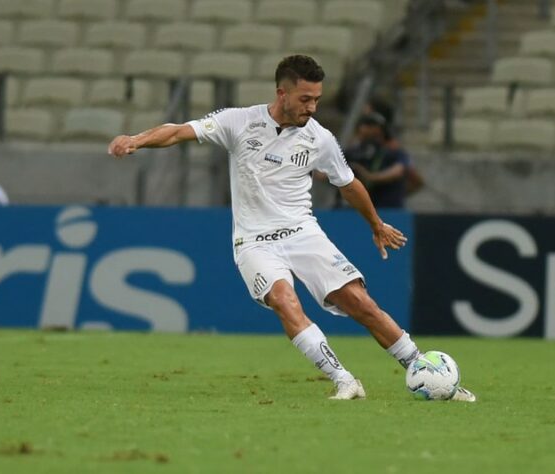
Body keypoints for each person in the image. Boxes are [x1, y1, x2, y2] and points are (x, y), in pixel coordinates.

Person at [108, 55, 475, 402]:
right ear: (282, 93)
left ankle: (423, 368)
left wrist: (376, 224)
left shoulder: (319, 138)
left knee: (360, 303)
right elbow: (177, 132)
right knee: (286, 302)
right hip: (253, 242)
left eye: (316, 99)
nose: (311, 107)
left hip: (303, 234)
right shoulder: (240, 122)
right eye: (305, 98)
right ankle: (344, 380)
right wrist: (137, 140)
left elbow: (347, 184)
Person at [345, 113, 423, 209]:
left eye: (370, 126)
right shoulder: (354, 153)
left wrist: (369, 176)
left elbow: (399, 171)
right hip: (361, 209)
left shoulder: (393, 152)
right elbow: (324, 174)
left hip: (388, 209)